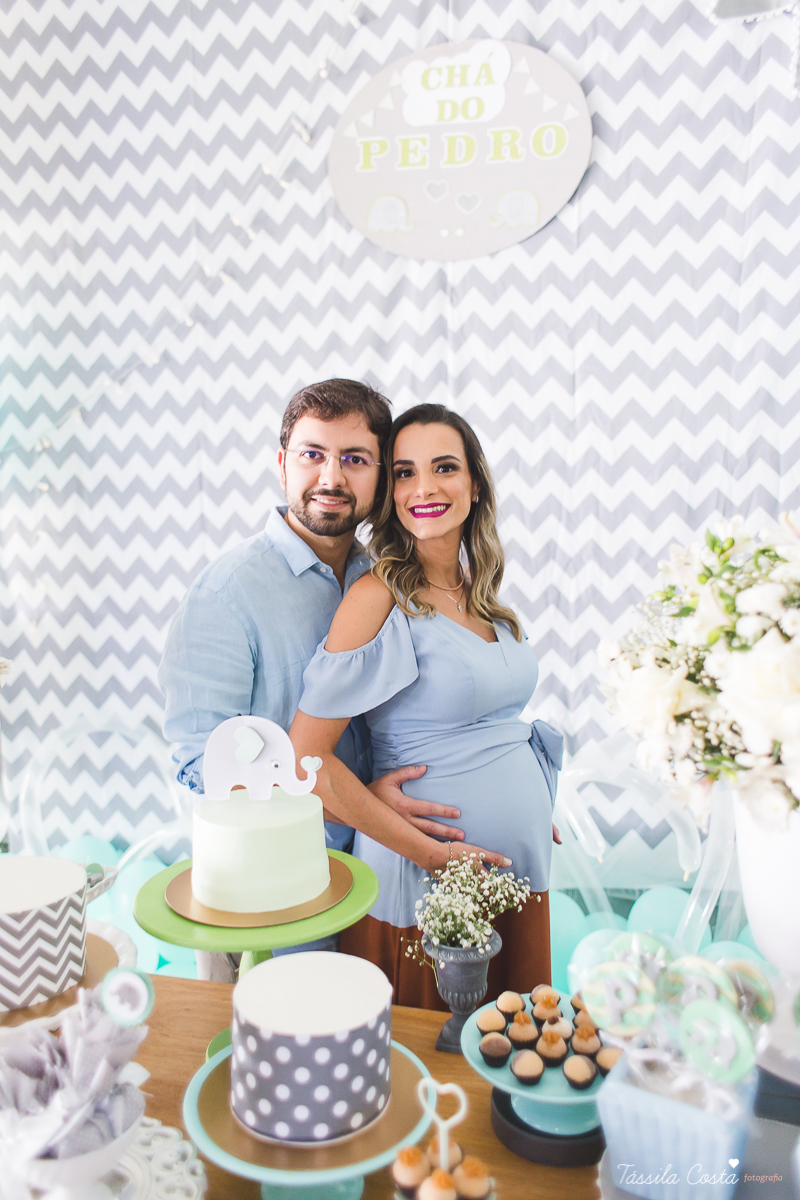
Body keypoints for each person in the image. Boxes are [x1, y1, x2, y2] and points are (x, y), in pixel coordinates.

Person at [159, 381, 506, 978]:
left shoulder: (387, 580)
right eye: (312, 454)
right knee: (282, 1051)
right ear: (282, 463)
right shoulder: (227, 593)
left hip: (381, 867)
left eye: (355, 460)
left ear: (380, 475)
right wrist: (349, 805)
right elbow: (202, 764)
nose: (331, 477)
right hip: (272, 891)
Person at [290, 403, 563, 1007]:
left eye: (444, 467)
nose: (425, 488)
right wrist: (436, 856)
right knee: (430, 1069)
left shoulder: (484, 595)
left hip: (514, 872)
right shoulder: (377, 597)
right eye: (405, 473)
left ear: (474, 484)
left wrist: (528, 795)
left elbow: (489, 727)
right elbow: (306, 762)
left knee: (505, 1059)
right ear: (390, 493)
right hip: (425, 880)